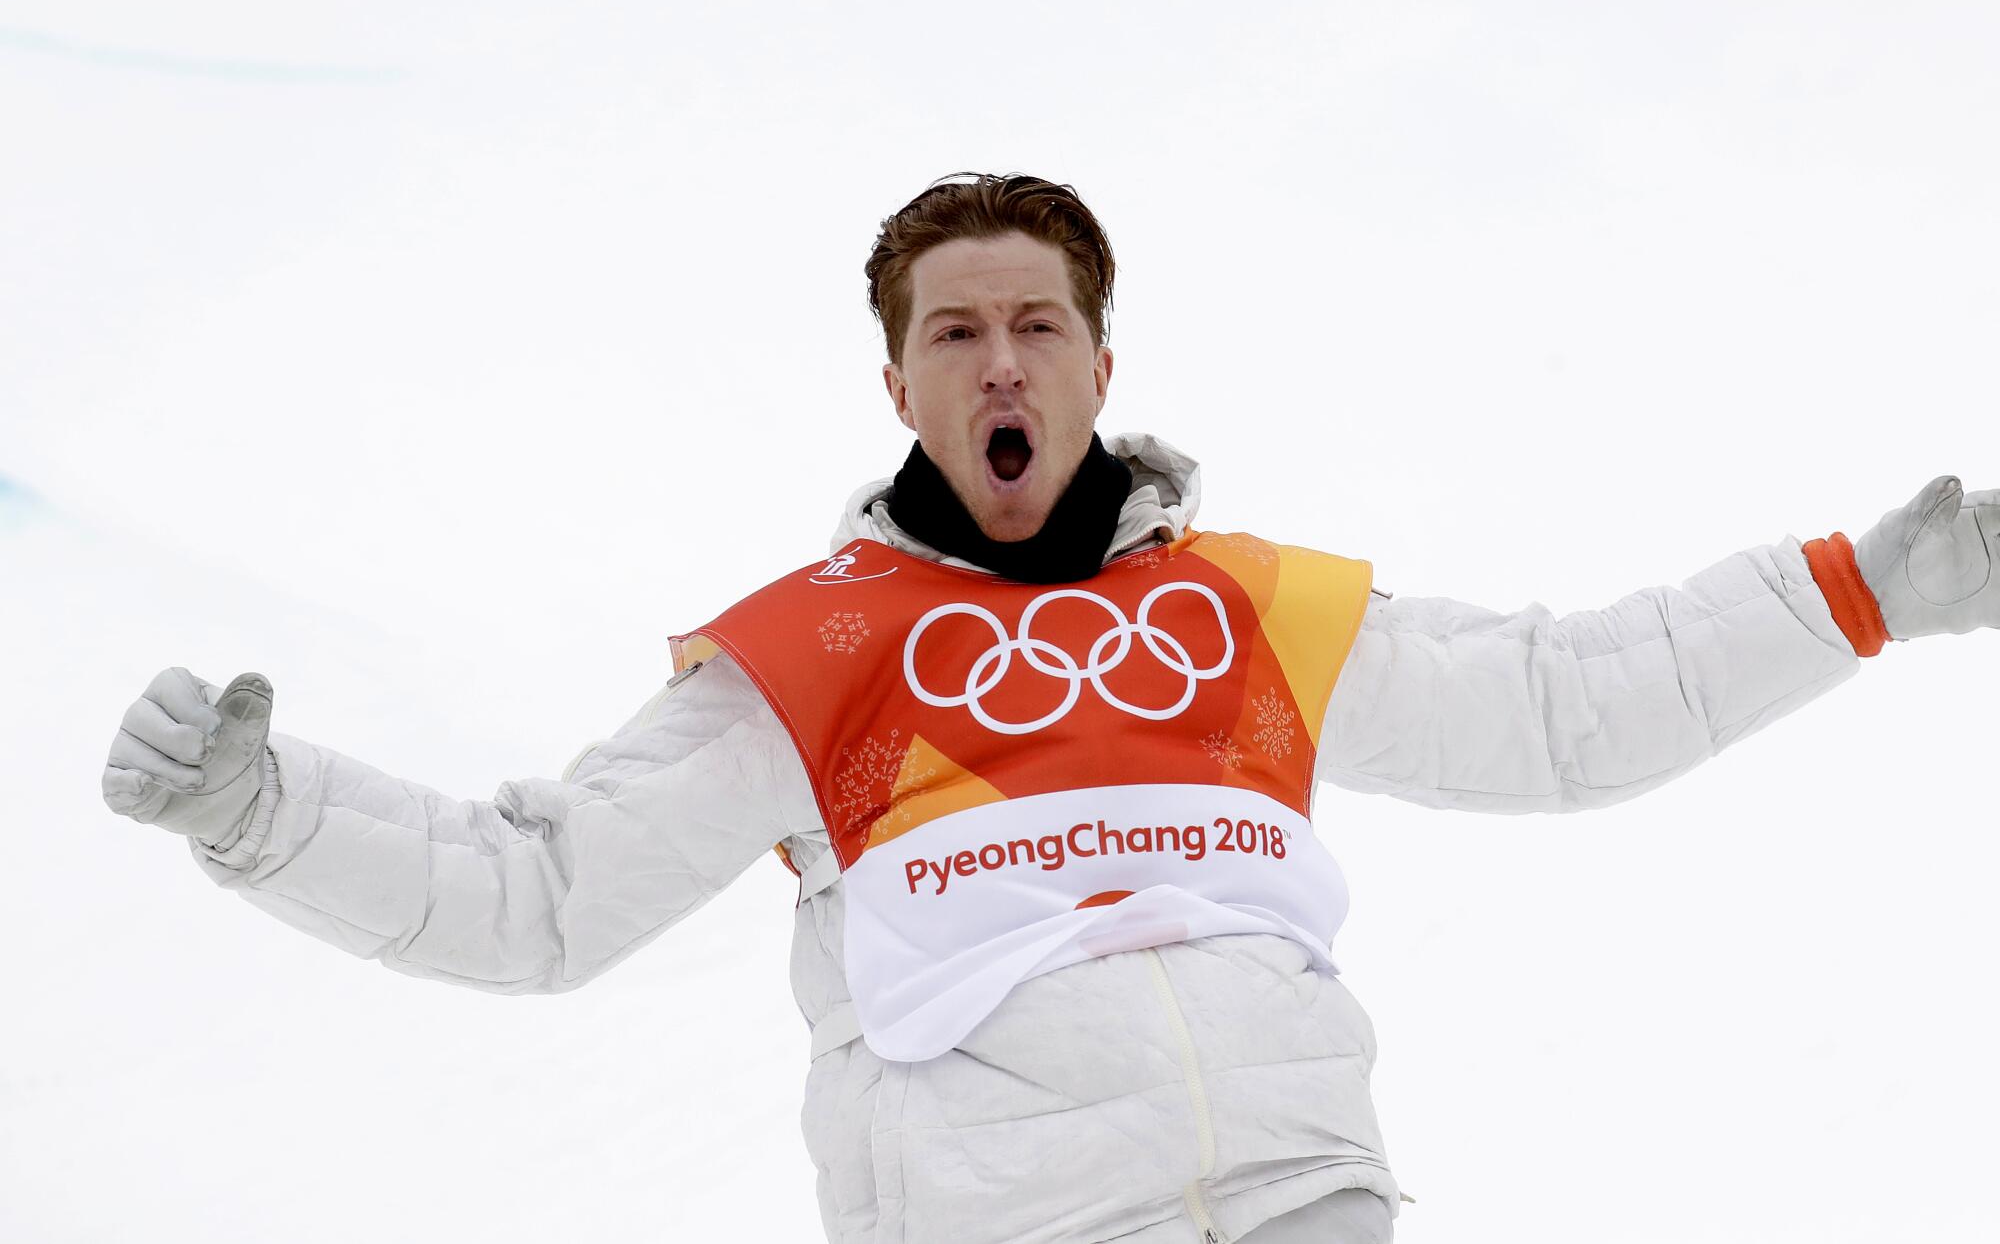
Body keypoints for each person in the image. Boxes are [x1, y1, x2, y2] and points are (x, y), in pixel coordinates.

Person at [101, 172, 1999, 1244]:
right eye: (955, 329)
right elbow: (538, 896)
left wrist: (1862, 590)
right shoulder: (813, 653)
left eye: (1036, 325)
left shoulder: (1241, 607)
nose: (1000, 358)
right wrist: (257, 813)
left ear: (1099, 360)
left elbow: (1567, 705)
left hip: (1302, 1200)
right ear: (900, 382)